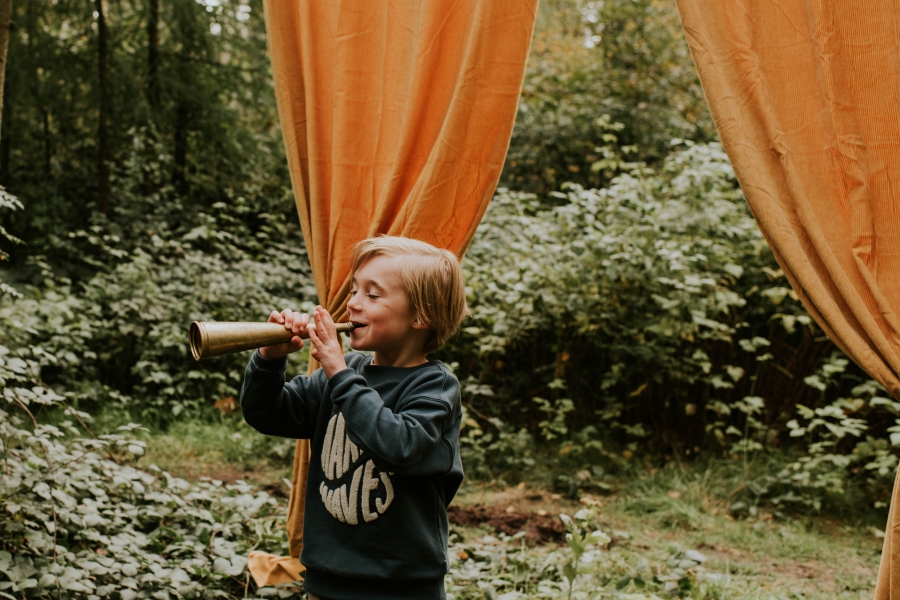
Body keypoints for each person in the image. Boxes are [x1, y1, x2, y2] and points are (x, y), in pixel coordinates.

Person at [240, 236, 469, 600]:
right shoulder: (342, 374)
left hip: (403, 585)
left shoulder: (434, 386)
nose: (352, 304)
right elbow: (266, 413)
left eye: (372, 295)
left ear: (420, 316)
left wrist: (339, 372)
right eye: (354, 290)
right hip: (326, 577)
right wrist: (269, 359)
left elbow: (400, 445)